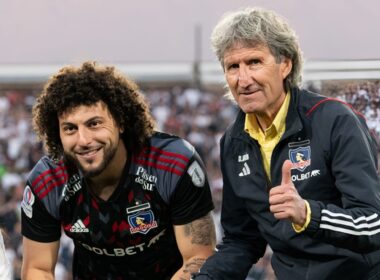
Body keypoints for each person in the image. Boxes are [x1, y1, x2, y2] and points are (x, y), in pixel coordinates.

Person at [193, 7, 380, 280]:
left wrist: (307, 214)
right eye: (233, 66)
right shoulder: (233, 142)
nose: (243, 80)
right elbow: (242, 240)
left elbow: (372, 225)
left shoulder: (335, 120)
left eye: (254, 62)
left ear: (286, 64)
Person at [21, 61, 216, 280]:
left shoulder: (172, 163)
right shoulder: (47, 181)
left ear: (121, 121)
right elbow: (38, 269)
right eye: (70, 129)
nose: (83, 140)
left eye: (94, 124)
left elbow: (199, 259)